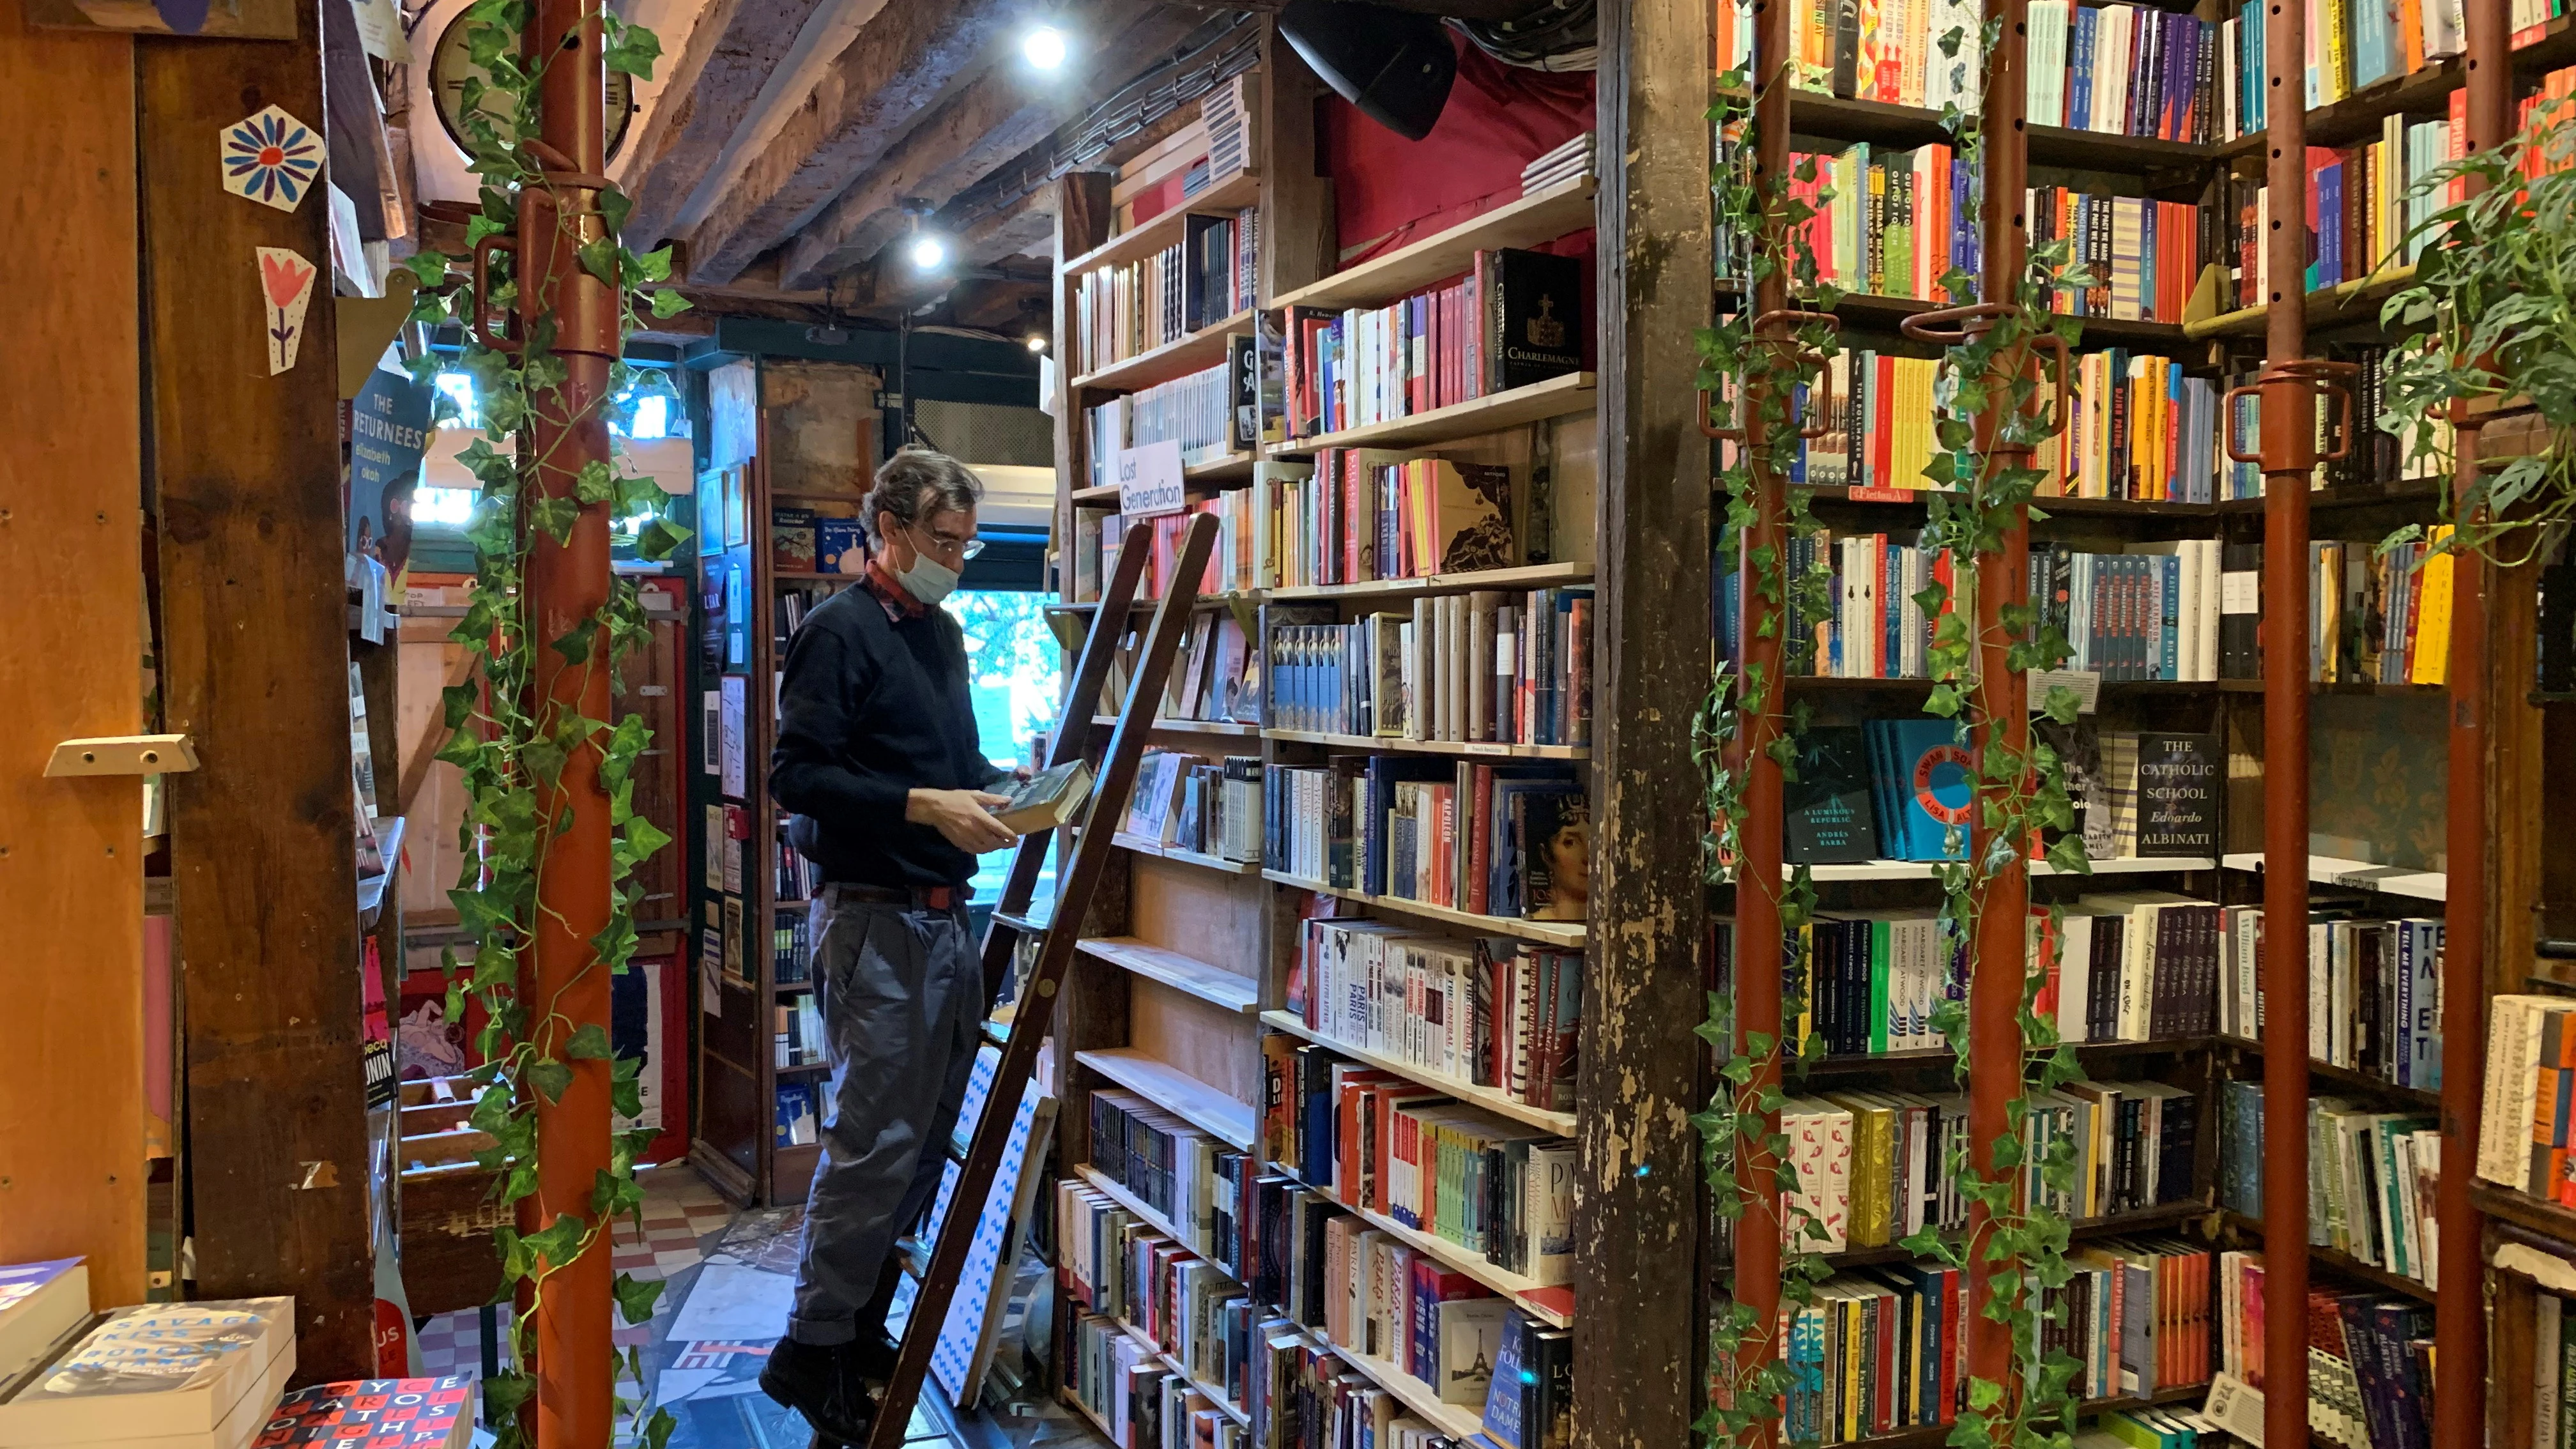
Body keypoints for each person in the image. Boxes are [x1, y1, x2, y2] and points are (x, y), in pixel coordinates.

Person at [759, 447, 1022, 1445]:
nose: (956, 561)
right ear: (893, 530)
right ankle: (811, 1350)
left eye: (968, 544)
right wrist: (922, 804)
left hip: (945, 914)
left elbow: (953, 763)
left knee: (925, 1139)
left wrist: (1008, 789)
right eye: (944, 543)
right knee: (873, 1146)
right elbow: (797, 777)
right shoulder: (836, 632)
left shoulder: (944, 636)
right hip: (873, 919)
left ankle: (860, 1329)